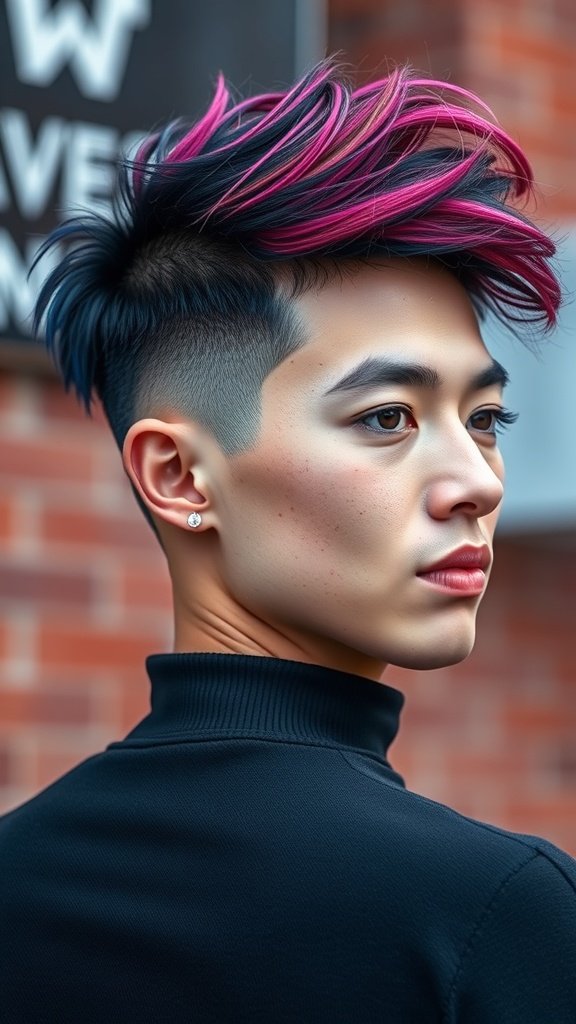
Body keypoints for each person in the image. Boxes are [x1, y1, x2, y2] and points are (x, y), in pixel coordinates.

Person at [1, 58, 574, 1022]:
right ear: (180, 477)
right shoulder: (493, 917)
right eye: (387, 418)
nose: (477, 483)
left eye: (485, 420)